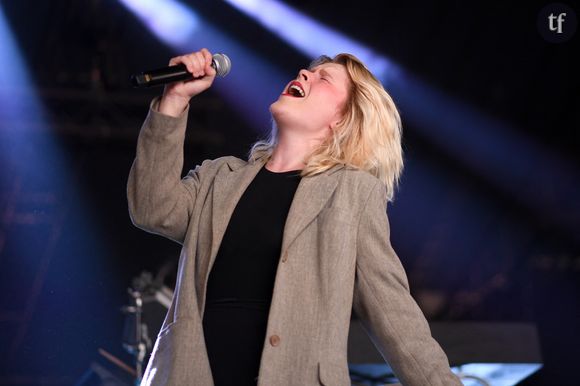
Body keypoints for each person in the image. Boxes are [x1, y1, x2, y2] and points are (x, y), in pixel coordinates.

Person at [127, 48, 462, 386]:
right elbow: (152, 208)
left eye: (323, 78)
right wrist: (174, 100)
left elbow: (394, 315)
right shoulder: (218, 178)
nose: (304, 74)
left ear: (343, 119)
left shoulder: (351, 194)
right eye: (307, 71)